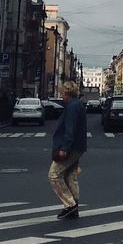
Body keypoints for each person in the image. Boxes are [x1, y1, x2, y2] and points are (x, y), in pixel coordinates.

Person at [50, 81, 87, 220]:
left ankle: (70, 205)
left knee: (54, 174)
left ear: (66, 92)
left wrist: (64, 148)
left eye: (62, 93)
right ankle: (74, 207)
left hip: (70, 147)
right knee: (70, 176)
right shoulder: (78, 104)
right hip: (78, 146)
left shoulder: (72, 106)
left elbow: (69, 129)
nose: (61, 95)